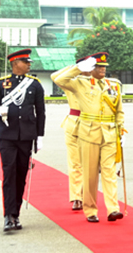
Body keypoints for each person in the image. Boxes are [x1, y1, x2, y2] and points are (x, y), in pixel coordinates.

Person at [54, 52, 125, 223]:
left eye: (104, 67)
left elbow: (119, 111)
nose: (102, 70)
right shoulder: (80, 83)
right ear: (91, 69)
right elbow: (58, 79)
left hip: (108, 133)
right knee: (90, 174)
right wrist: (77, 68)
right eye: (99, 67)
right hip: (88, 133)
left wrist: (120, 131)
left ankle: (113, 208)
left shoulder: (113, 85)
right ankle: (91, 210)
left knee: (109, 172)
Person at [0, 49, 45, 232]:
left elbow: (40, 112)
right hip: (7, 136)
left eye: (29, 62)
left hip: (26, 136)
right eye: (25, 61)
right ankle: (8, 215)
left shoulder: (35, 85)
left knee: (21, 175)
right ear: (15, 64)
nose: (29, 64)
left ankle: (16, 214)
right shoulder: (0, 84)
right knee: (9, 174)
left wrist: (40, 136)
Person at [51, 56, 90, 210]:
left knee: (92, 164)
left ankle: (87, 194)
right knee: (75, 163)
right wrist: (75, 67)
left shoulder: (99, 83)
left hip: (92, 124)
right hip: (74, 124)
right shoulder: (71, 82)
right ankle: (76, 197)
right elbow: (55, 77)